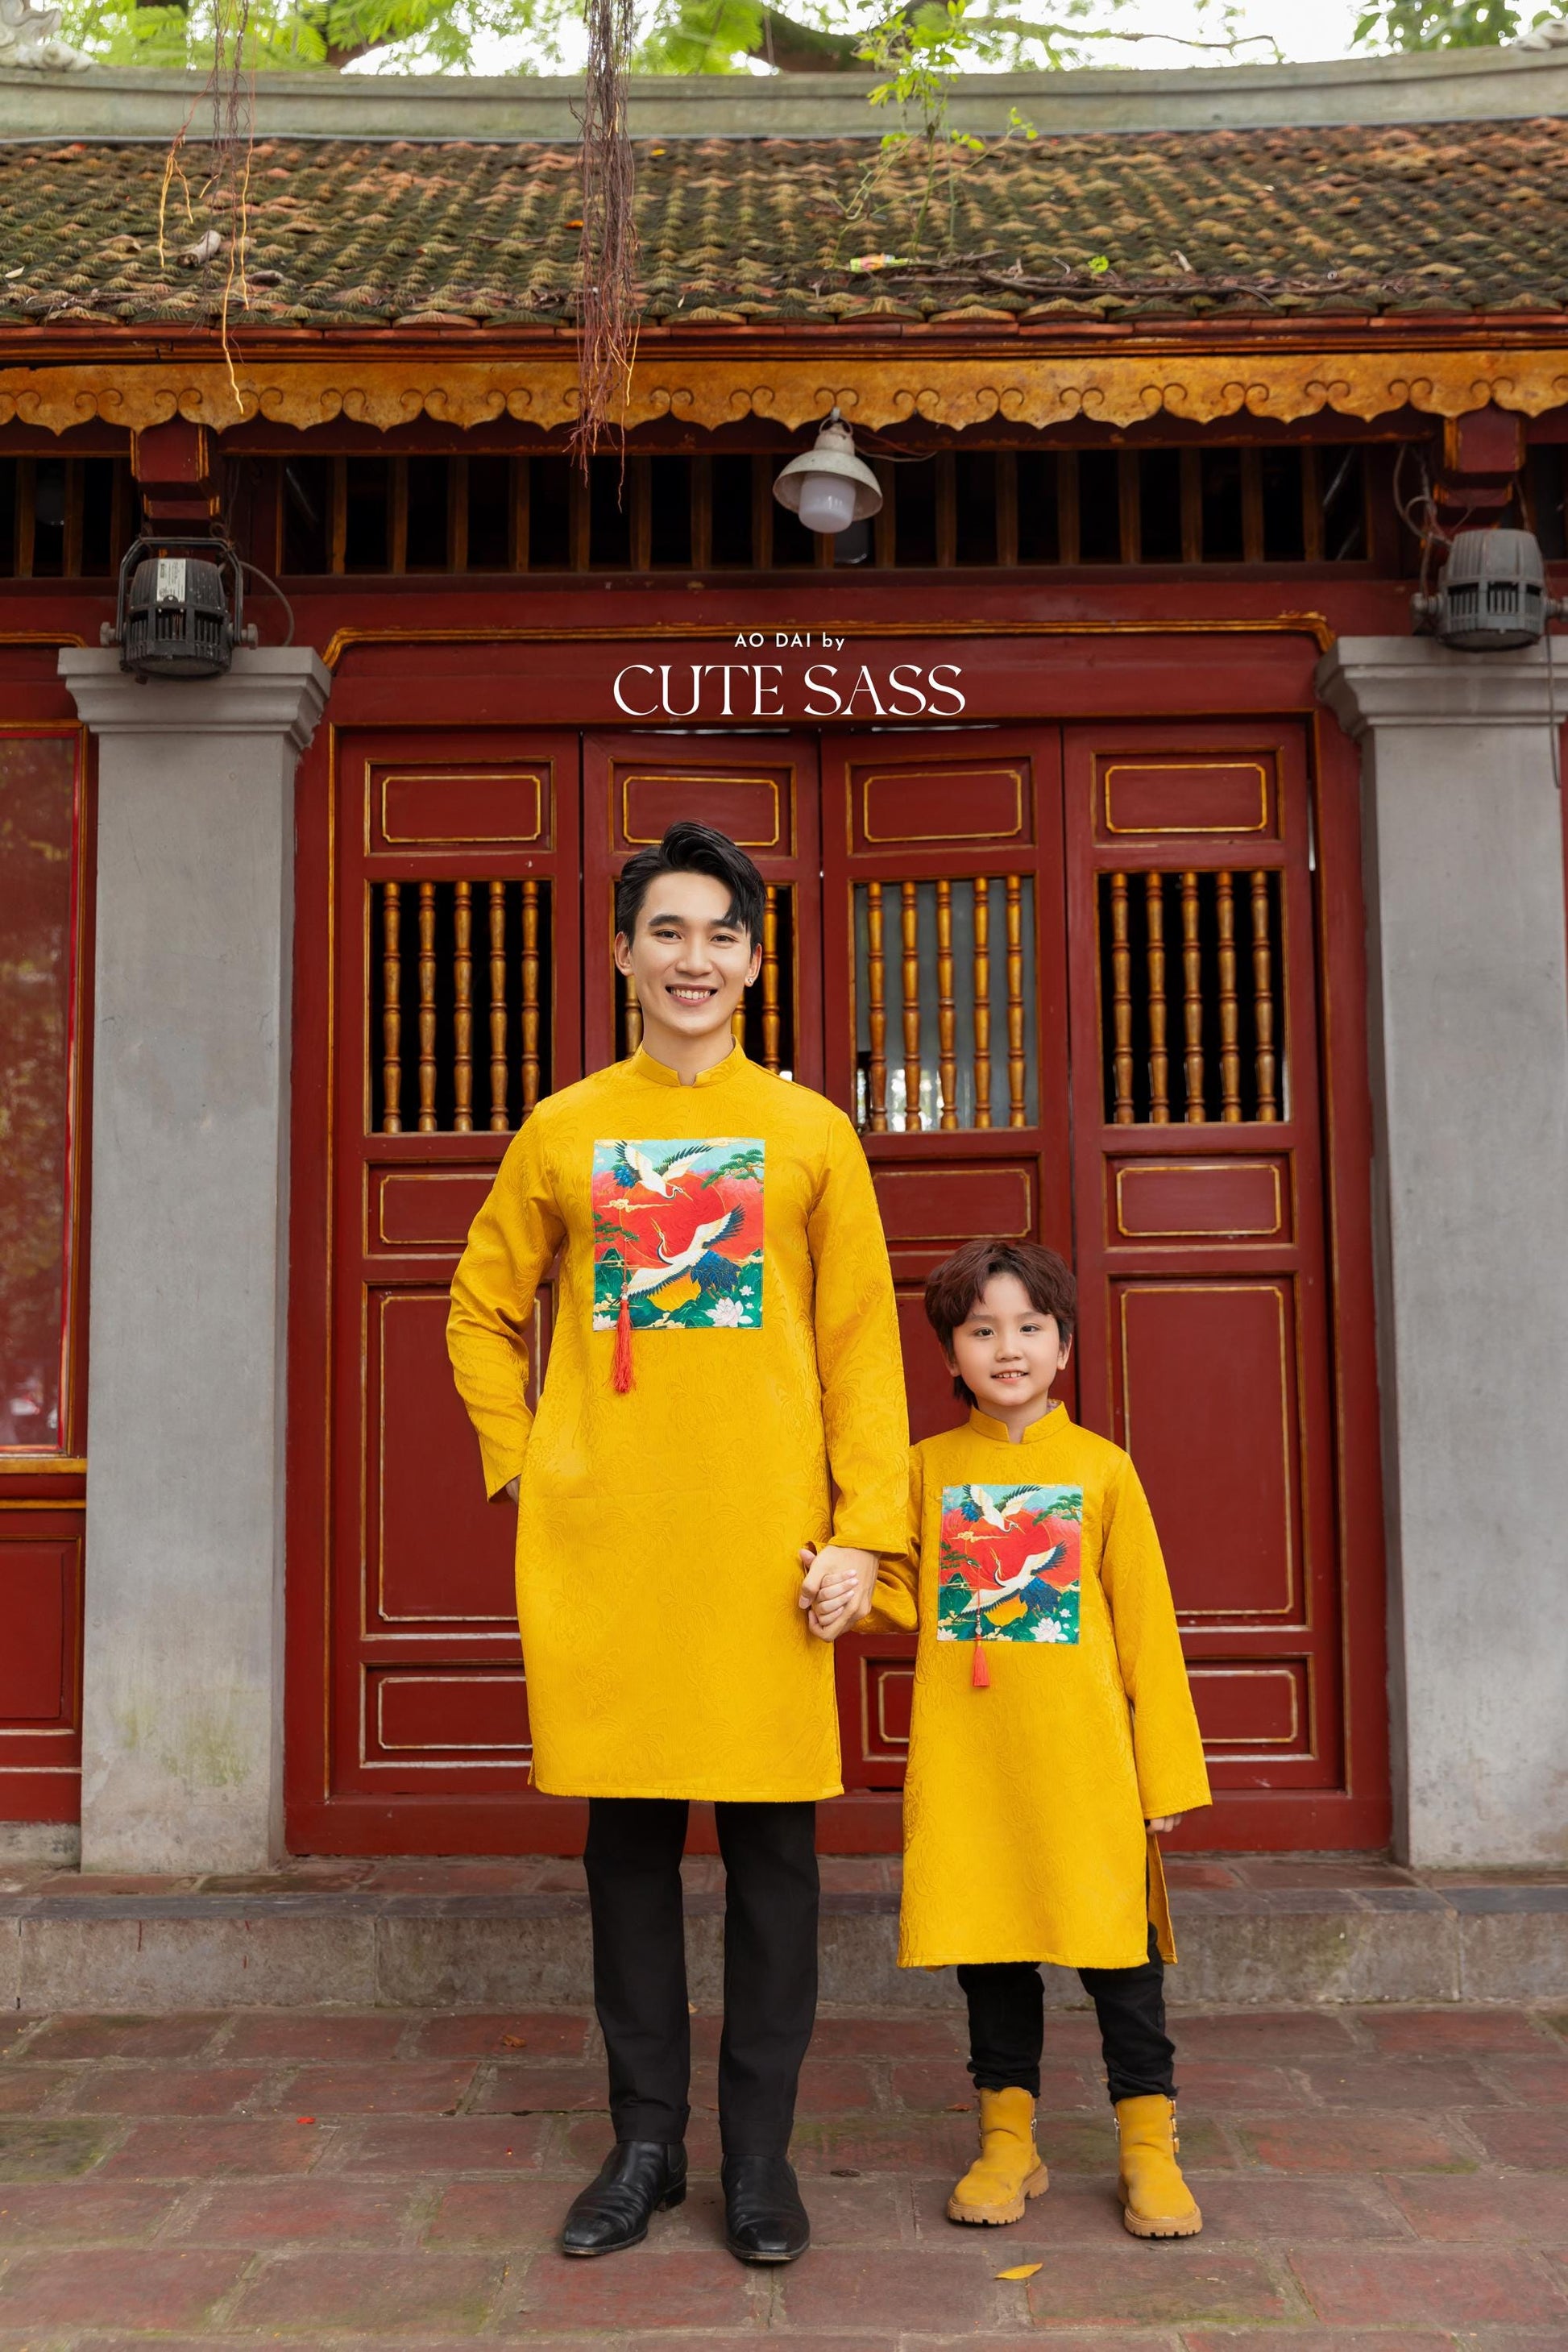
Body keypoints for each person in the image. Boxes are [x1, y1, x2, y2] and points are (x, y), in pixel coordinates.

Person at [446, 821, 907, 2267]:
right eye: (666, 931)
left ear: (755, 960)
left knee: (777, 1859)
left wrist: (867, 1537)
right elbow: (477, 1306)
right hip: (613, 1547)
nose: (691, 957)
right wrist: (529, 1465)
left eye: (719, 933)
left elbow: (862, 1353)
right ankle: (644, 2141)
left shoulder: (811, 1131)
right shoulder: (565, 1125)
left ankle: (758, 2158)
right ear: (620, 950)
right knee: (626, 1852)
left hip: (768, 1552)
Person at [851, 1237, 1211, 2240]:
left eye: (1026, 1328)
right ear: (950, 1353)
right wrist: (838, 1589)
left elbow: (1147, 1630)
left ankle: (1147, 2149)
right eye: (980, 1331)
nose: (1005, 1348)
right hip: (975, 1767)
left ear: (1061, 1346)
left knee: (1121, 1967)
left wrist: (1162, 1774)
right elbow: (896, 1598)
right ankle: (1008, 2143)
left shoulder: (1102, 1473)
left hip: (1085, 1767)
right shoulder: (924, 1471)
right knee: (992, 1960)